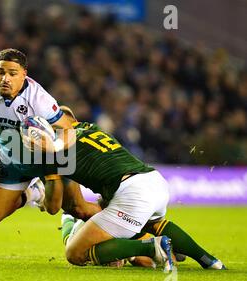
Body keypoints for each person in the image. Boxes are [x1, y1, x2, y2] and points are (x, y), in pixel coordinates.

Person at [37, 106, 226, 270]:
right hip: (155, 180)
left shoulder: (57, 150)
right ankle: (209, 260)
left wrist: (43, 197)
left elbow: (62, 207)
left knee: (74, 252)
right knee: (153, 223)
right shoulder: (92, 129)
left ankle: (152, 248)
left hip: (132, 193)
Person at [0, 48, 99, 226]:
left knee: (75, 209)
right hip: (12, 160)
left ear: (24, 74)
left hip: (46, 160)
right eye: (0, 72)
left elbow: (68, 129)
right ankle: (34, 193)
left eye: (12, 73)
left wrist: (54, 150)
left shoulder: (39, 100)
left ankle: (129, 230)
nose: (5, 78)